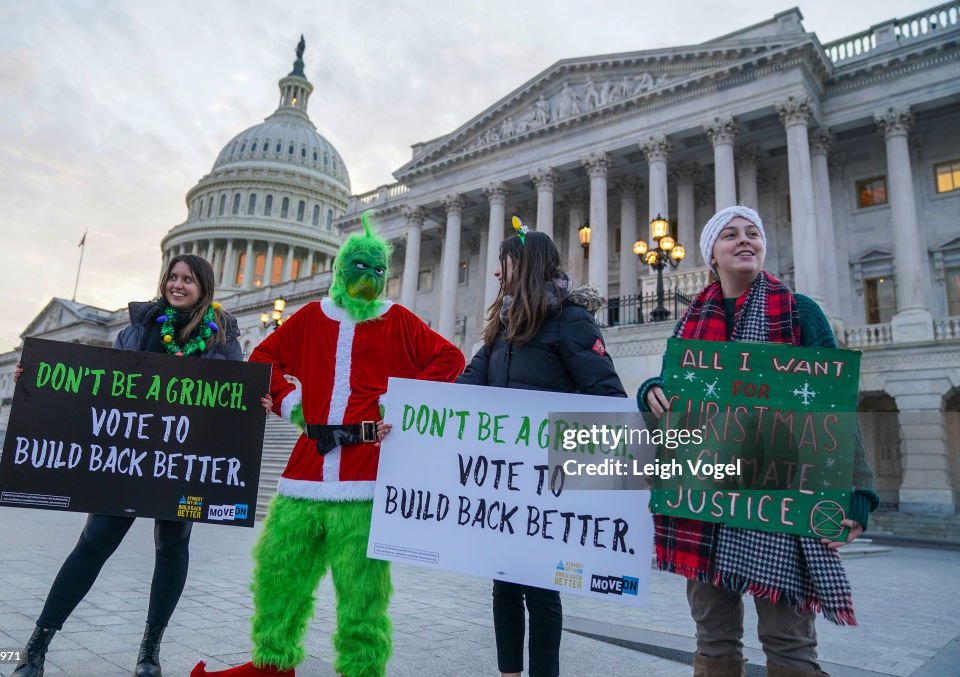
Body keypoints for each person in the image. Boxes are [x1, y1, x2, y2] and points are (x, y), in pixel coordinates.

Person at [191, 213, 465, 677]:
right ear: (342, 269)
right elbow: (263, 356)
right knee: (280, 568)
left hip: (365, 473)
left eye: (379, 270)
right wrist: (291, 403)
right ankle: (272, 661)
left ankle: (362, 669)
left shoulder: (398, 320)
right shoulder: (310, 319)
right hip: (306, 467)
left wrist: (395, 405)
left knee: (363, 589)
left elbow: (450, 358)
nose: (371, 277)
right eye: (361, 266)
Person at [637, 205, 879, 677]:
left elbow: (835, 407)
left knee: (788, 638)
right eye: (730, 235)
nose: (745, 240)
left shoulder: (800, 313)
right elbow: (673, 406)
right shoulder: (688, 328)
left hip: (780, 499)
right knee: (712, 632)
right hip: (704, 503)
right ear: (712, 255)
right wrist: (651, 392)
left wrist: (859, 495)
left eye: (753, 233)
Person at [12, 254, 262, 677]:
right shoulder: (138, 329)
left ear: (204, 287)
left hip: (185, 459)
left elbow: (234, 393)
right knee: (93, 544)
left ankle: (150, 650)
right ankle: (37, 645)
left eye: (188, 280)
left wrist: (258, 403)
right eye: (173, 277)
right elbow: (96, 386)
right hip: (129, 458)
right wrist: (36, 378)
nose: (177, 285)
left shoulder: (222, 338)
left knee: (172, 547)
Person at [455, 222, 627, 677]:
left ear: (524, 265)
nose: (494, 273)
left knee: (542, 590)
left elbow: (607, 395)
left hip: (551, 479)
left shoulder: (571, 321)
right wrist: (411, 411)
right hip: (505, 479)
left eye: (503, 263)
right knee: (505, 586)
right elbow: (466, 388)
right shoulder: (502, 324)